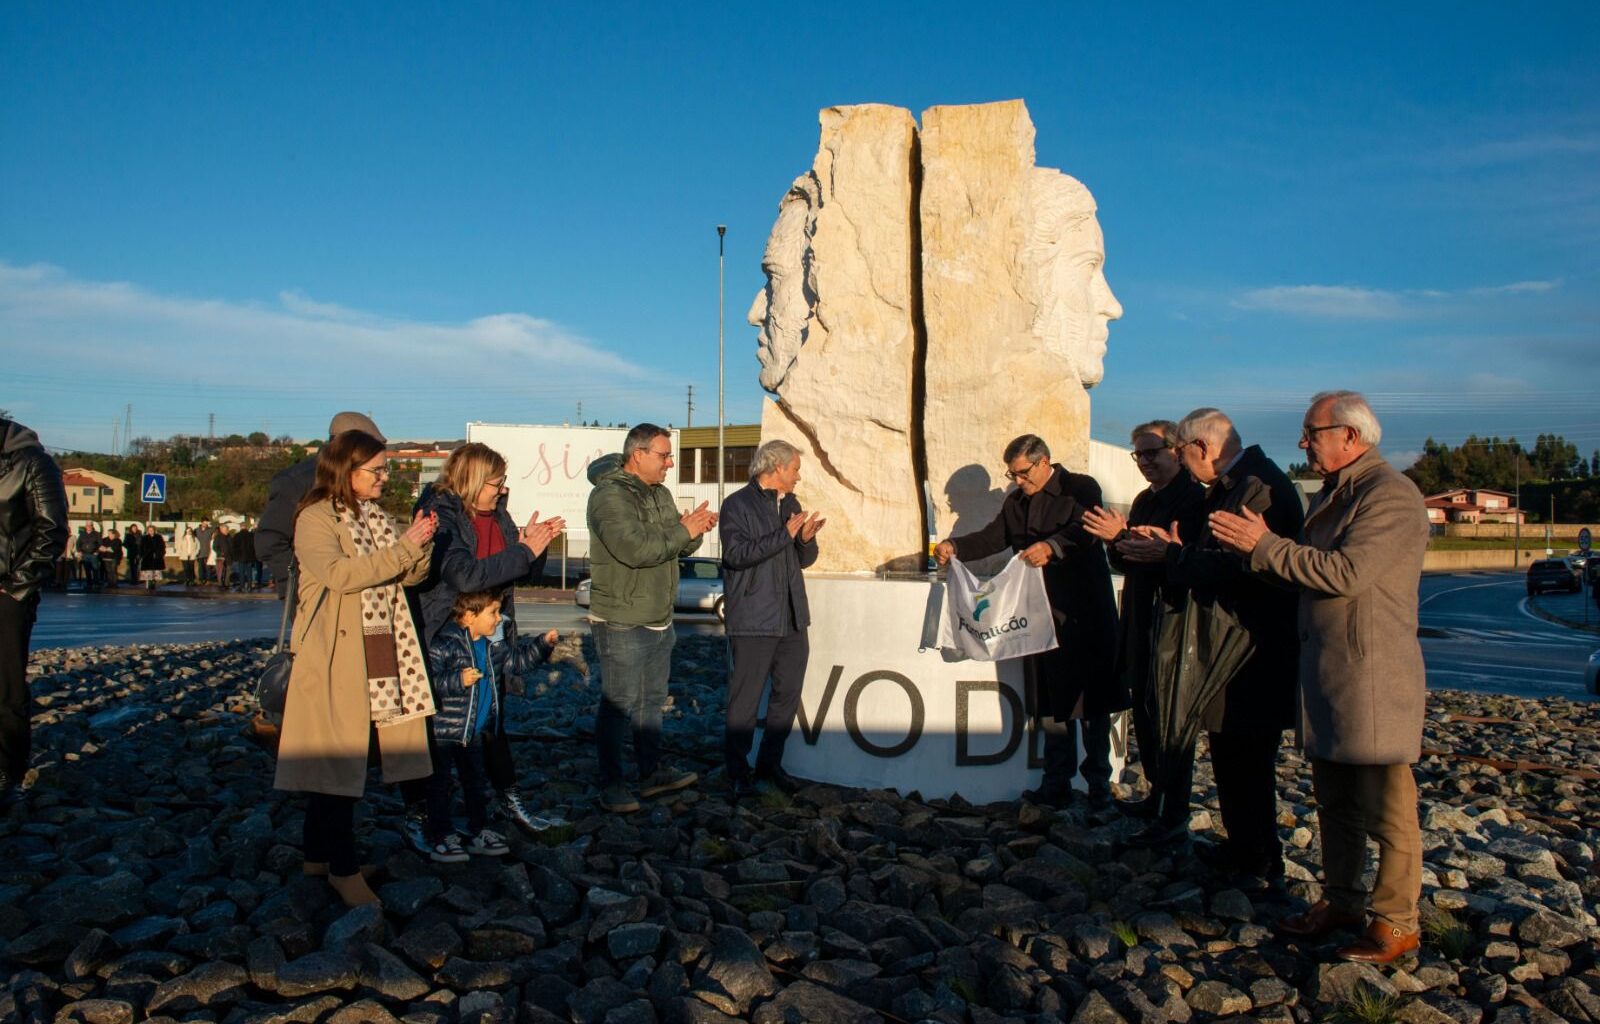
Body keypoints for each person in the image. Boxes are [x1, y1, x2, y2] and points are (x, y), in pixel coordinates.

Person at [1210, 391, 1429, 964]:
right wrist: (1260, 551)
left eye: (1312, 432)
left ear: (1350, 437)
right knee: (1335, 802)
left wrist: (1266, 546)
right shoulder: (1338, 493)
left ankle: (1397, 922)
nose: (1304, 443)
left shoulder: (1389, 495)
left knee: (1388, 808)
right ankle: (1343, 902)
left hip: (1371, 675)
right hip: (1333, 672)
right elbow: (1309, 575)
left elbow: (1346, 573)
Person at [1120, 408, 1303, 887]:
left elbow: (1239, 566)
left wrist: (1173, 553)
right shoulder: (1234, 485)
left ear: (1199, 448)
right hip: (1231, 642)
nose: (1181, 462)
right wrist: (1175, 549)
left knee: (1247, 757)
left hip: (1248, 647)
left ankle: (1261, 859)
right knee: (1230, 752)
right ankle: (1245, 849)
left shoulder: (1255, 487)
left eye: (1179, 452)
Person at [273, 430, 438, 907]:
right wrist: (405, 548)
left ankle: (316, 858)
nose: (385, 478)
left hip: (380, 647)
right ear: (347, 470)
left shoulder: (376, 516)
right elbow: (340, 576)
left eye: (385, 469)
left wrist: (420, 545)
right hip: (334, 655)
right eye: (377, 470)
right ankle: (343, 869)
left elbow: (406, 576)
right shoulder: (315, 517)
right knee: (338, 761)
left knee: (344, 754)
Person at [934, 434, 1120, 808]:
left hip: (1081, 613)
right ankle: (1056, 784)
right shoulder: (1016, 501)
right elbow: (995, 537)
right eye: (1012, 474)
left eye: (1022, 473)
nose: (1018, 481)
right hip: (1037, 614)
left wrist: (1052, 548)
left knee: (1091, 704)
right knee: (1049, 703)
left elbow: (1087, 529)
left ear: (1043, 461)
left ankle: (1099, 786)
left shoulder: (1080, 486)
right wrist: (957, 547)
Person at [404, 442, 564, 846]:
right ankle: (426, 817)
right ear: (473, 480)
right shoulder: (442, 512)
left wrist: (532, 547)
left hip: (491, 629)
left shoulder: (498, 512)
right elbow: (465, 576)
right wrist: (523, 550)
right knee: (441, 732)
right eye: (496, 482)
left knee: (491, 722)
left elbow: (517, 569)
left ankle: (498, 807)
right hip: (448, 634)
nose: (501, 489)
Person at [1083, 420, 1206, 842]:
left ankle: (1174, 814)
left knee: (1171, 721)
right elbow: (1129, 559)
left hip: (1173, 621)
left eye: (1152, 452)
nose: (1145, 462)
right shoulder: (1142, 499)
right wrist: (1117, 542)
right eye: (1139, 454)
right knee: (1147, 715)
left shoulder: (1194, 499)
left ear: (1177, 450)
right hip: (1139, 614)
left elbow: (1184, 560)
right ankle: (1157, 796)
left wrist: (1128, 540)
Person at [586, 424, 716, 813]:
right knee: (618, 704)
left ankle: (650, 773)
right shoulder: (609, 497)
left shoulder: (659, 493)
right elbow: (634, 548)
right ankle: (611, 784)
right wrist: (682, 532)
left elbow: (673, 543)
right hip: (622, 618)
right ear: (637, 454)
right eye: (664, 455)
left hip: (659, 615)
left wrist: (693, 530)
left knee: (651, 701)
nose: (670, 463)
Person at [718, 440, 825, 800]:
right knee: (745, 702)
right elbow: (737, 555)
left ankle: (769, 765)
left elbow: (802, 560)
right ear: (776, 467)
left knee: (787, 698)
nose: (798, 476)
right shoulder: (736, 505)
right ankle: (736, 772)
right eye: (795, 469)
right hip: (753, 620)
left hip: (793, 619)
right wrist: (786, 534)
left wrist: (806, 540)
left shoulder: (790, 504)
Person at [423, 589, 559, 862]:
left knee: (476, 783)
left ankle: (478, 829)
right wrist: (457, 680)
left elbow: (518, 663)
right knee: (439, 785)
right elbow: (428, 683)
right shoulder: (444, 645)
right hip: (445, 732)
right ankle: (441, 834)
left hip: (476, 730)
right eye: (493, 613)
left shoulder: (492, 646)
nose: (499, 619)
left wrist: (542, 645)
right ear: (469, 616)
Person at [0, 418, 69, 805]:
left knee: (6, 685)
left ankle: (8, 768)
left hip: (9, 591)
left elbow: (52, 530)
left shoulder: (32, 463)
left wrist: (17, 587)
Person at [257, 412, 386, 597]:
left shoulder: (362, 480)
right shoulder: (297, 481)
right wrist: (298, 580)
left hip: (360, 587)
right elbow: (269, 540)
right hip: (315, 593)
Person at [194, 519, 215, 584]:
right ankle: (201, 579)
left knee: (208, 567)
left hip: (207, 552)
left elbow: (213, 538)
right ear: (201, 523)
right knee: (200, 567)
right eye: (205, 523)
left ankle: (208, 580)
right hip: (199, 552)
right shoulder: (196, 530)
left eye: (207, 523)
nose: (206, 524)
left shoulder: (210, 530)